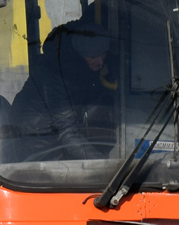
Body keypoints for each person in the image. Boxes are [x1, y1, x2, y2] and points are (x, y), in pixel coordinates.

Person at [10, 19, 120, 158]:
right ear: (80, 56)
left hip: (59, 141)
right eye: (93, 56)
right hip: (39, 148)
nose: (100, 61)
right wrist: (103, 165)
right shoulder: (54, 76)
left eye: (103, 54)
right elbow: (68, 133)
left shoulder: (80, 69)